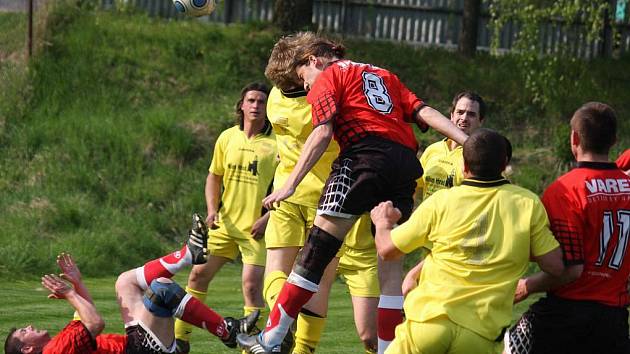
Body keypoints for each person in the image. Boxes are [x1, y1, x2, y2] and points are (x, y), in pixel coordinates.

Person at [238, 32, 468, 353]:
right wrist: (470, 143)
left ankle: (272, 338)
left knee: (314, 254)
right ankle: (390, 350)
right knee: (390, 265)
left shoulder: (329, 75)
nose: (305, 87)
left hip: (362, 159)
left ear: (313, 60)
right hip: (404, 165)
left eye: (302, 77)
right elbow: (424, 112)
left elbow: (322, 131)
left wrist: (290, 184)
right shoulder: (383, 74)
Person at [370, 128, 563, 353]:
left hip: (429, 323)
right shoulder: (527, 203)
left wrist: (383, 222)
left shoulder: (441, 201)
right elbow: (555, 266)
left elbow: (387, 250)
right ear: (504, 165)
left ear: (464, 166)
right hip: (481, 334)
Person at [263, 34, 379, 354]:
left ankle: (280, 324)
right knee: (315, 283)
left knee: (280, 273)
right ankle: (296, 341)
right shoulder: (326, 94)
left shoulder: (277, 99)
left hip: (297, 193)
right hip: (321, 195)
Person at [4, 214, 259, 354]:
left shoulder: (57, 346)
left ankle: (190, 255)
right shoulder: (55, 352)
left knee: (125, 282)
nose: (28, 326)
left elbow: (86, 318)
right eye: (23, 332)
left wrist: (78, 285)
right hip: (139, 350)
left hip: (135, 345)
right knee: (161, 290)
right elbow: (95, 323)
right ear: (27, 349)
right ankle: (228, 332)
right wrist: (71, 293)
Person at [505, 102, 630, 354]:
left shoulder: (565, 190)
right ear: (615, 140)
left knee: (510, 345)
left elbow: (571, 271)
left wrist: (525, 286)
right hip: (614, 320)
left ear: (574, 138)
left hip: (566, 314)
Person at [174, 83, 278, 353]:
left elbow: (288, 186)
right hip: (225, 225)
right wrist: (212, 210)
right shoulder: (227, 137)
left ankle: (251, 347)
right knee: (197, 276)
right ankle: (180, 341)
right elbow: (214, 176)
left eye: (262, 102)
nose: (256, 105)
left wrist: (267, 219)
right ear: (241, 105)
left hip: (256, 230)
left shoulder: (276, 142)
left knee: (252, 287)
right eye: (251, 100)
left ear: (268, 109)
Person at [403, 91, 487, 295]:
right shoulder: (433, 151)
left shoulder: (479, 156)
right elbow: (415, 187)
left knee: (415, 288)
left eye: (471, 114)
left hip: (456, 241)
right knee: (424, 294)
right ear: (450, 115)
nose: (464, 118)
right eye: (460, 112)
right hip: (429, 237)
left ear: (481, 121)